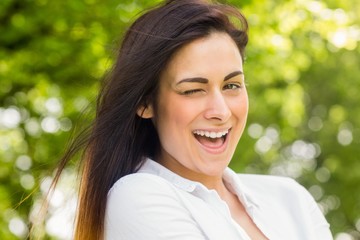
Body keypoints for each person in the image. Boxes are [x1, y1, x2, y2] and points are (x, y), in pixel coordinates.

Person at [47, 0, 333, 239]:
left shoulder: (290, 198)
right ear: (145, 103)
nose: (220, 111)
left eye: (232, 85)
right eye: (193, 90)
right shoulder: (136, 198)